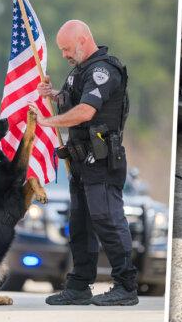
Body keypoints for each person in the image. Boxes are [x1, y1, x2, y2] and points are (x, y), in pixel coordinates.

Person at [31, 20, 138, 306]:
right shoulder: (79, 71)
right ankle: (79, 286)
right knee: (79, 224)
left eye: (67, 49)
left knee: (107, 219)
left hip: (102, 160)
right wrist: (53, 95)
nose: (64, 54)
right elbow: (73, 101)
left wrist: (47, 121)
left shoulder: (104, 70)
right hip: (80, 162)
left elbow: (86, 111)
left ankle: (126, 286)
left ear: (82, 40)